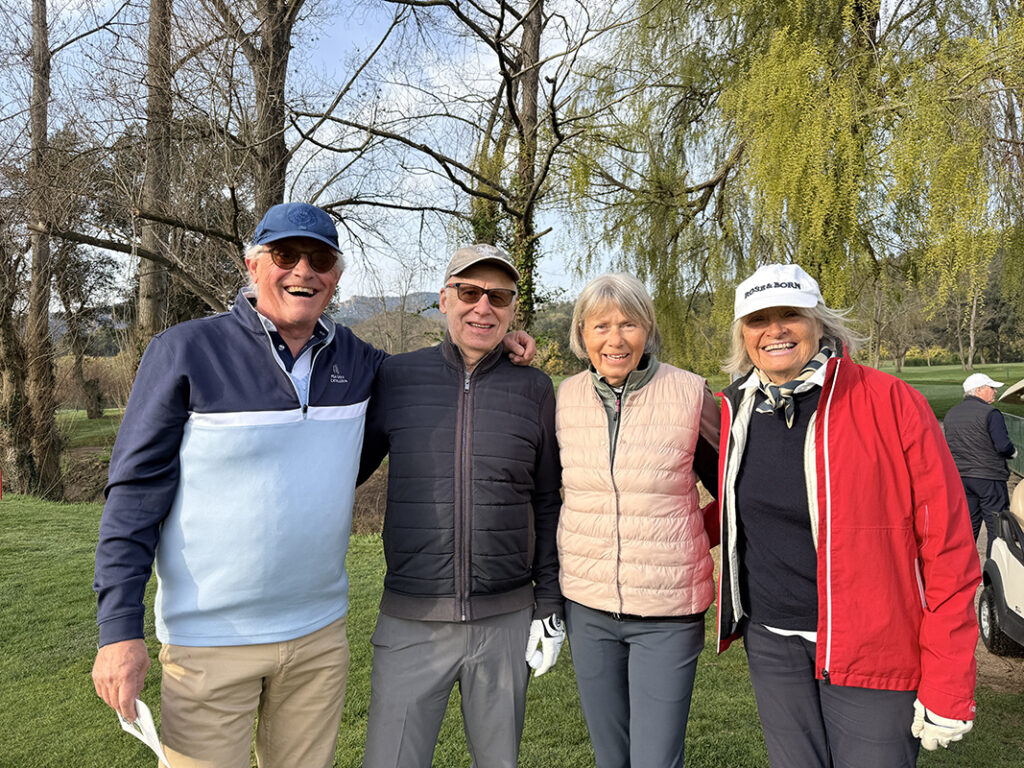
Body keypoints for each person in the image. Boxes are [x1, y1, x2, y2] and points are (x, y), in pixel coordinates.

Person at [91, 205, 534, 768]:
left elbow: (436, 378)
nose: (303, 270)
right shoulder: (185, 351)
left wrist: (496, 348)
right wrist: (118, 630)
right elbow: (134, 496)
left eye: (320, 259)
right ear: (253, 265)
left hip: (318, 639)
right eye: (285, 255)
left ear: (336, 277)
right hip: (210, 641)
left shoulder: (361, 361)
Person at [716, 263, 980, 768]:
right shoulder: (735, 410)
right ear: (743, 334)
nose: (775, 330)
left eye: (790, 314)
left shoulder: (892, 401)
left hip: (873, 645)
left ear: (819, 322)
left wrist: (949, 680)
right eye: (758, 319)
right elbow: (728, 510)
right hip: (772, 643)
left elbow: (948, 544)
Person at [358, 244, 563, 768]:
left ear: (513, 309)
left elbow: (546, 501)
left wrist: (549, 603)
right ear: (444, 299)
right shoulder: (396, 377)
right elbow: (344, 471)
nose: (483, 307)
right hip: (411, 619)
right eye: (469, 293)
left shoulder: (536, 389)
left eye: (499, 297)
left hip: (506, 621)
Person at [555, 273, 720, 768]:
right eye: (601, 326)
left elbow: (736, 493)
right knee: (611, 758)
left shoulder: (689, 393)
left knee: (655, 759)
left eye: (628, 323)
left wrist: (695, 535)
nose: (615, 339)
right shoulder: (563, 398)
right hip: (588, 608)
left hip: (668, 613)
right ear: (582, 333)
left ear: (647, 329)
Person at [944, 372, 1016, 558]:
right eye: (991, 388)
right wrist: (1013, 452)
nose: (995, 392)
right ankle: (994, 567)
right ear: (979, 390)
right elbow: (1002, 446)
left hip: (962, 478)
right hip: (989, 477)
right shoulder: (991, 413)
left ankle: (961, 567)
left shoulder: (951, 414)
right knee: (996, 526)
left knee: (969, 526)